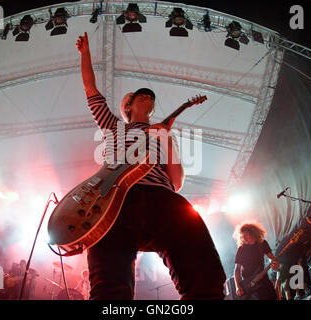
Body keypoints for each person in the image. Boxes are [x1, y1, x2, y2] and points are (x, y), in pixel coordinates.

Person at [76, 32, 226, 300]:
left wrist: (167, 137)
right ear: (128, 107)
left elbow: (177, 181)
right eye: (136, 97)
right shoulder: (113, 127)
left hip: (163, 200)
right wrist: (85, 53)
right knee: (109, 289)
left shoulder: (162, 134)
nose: (145, 98)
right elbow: (91, 89)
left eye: (149, 99)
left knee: (208, 281)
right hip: (116, 202)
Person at [233, 222, 279, 300]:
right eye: (242, 235)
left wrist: (275, 264)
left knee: (273, 297)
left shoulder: (262, 244)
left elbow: (272, 258)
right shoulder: (241, 249)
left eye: (246, 234)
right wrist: (237, 286)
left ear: (253, 233)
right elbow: (237, 269)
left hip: (263, 278)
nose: (244, 237)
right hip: (249, 284)